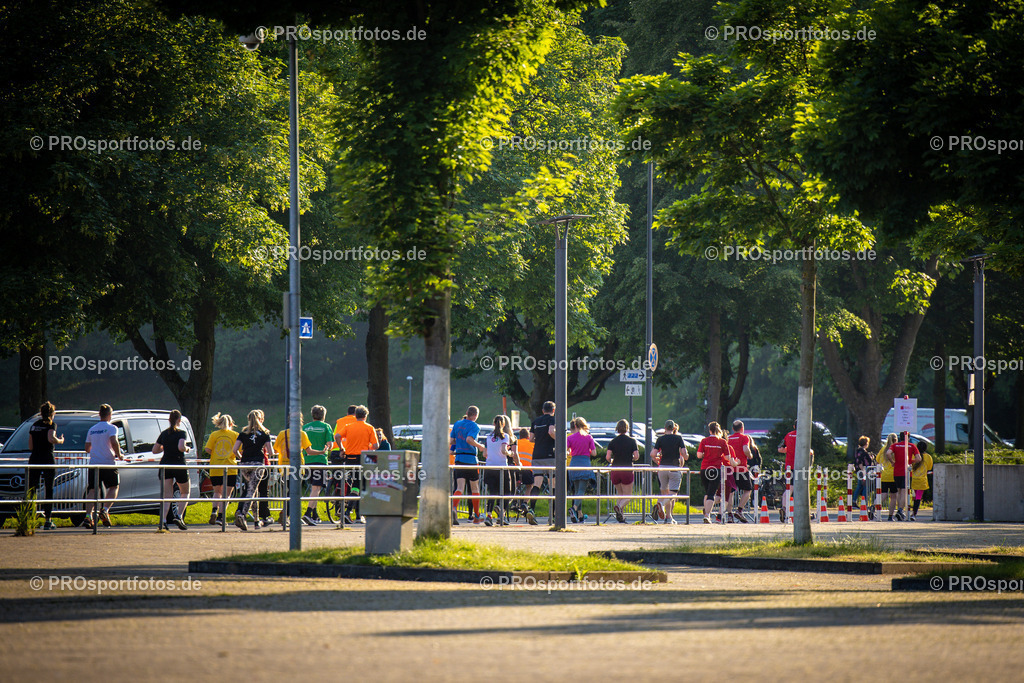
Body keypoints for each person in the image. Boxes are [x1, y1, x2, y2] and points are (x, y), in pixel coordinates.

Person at [232, 410, 274, 531]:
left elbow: (235, 450)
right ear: (260, 419)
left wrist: (241, 458)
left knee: (252, 490)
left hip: (245, 464)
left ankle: (256, 521)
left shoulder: (243, 433)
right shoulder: (265, 433)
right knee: (252, 489)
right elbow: (270, 452)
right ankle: (241, 513)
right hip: (258, 464)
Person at [336, 405, 378, 523]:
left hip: (350, 458)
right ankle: (348, 512)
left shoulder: (349, 426)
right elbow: (375, 446)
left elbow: (337, 436)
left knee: (358, 484)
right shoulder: (369, 428)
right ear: (365, 416)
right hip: (362, 458)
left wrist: (342, 448)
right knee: (358, 485)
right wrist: (369, 448)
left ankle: (359, 515)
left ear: (356, 415)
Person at [83, 404, 121, 529]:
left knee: (93, 490)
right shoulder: (112, 428)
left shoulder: (92, 429)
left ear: (99, 414)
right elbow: (114, 441)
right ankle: (105, 510)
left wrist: (97, 447)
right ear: (110, 415)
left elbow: (87, 448)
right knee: (114, 486)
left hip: (94, 463)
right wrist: (118, 454)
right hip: (108, 462)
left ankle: (88, 516)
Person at [28, 401, 64, 530]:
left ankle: (30, 516)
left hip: (34, 458)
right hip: (47, 458)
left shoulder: (34, 425)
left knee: (32, 488)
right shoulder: (51, 425)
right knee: (49, 488)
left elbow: (30, 446)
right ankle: (48, 519)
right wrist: (60, 440)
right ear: (52, 413)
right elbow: (51, 438)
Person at [152, 410, 190, 530]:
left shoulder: (164, 434)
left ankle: (163, 521)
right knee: (185, 492)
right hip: (178, 464)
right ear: (179, 420)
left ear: (169, 420)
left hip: (165, 464)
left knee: (167, 495)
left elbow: (155, 450)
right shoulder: (182, 433)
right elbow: (181, 447)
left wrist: (165, 447)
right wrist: (187, 449)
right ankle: (179, 516)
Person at [450, 405, 484, 524]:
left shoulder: (457, 424)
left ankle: (453, 508)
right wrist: (480, 446)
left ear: (466, 413)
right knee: (475, 488)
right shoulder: (474, 426)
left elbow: (451, 441)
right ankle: (476, 515)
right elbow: (469, 439)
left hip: (459, 458)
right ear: (476, 415)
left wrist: (459, 442)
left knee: (459, 487)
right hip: (471, 460)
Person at [276, 416, 313, 528]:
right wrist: (322, 451)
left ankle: (287, 515)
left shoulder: (282, 434)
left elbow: (276, 449)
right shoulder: (302, 434)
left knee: (290, 491)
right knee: (294, 492)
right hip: (297, 467)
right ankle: (286, 514)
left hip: (284, 466)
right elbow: (309, 451)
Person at [301, 405, 334, 525]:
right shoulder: (326, 427)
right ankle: (307, 513)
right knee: (316, 488)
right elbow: (330, 444)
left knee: (313, 487)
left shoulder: (305, 427)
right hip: (320, 460)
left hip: (307, 460)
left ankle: (314, 515)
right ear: (323, 415)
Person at [204, 413, 238, 525]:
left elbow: (208, 449)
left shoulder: (214, 434)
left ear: (219, 423)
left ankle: (214, 511)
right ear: (232, 424)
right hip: (230, 467)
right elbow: (238, 451)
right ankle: (221, 516)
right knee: (226, 494)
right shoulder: (235, 435)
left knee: (217, 491)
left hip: (215, 466)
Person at [526, 401, 556, 523]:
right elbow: (551, 432)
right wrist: (559, 440)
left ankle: (531, 509)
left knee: (537, 483)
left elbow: (531, 439)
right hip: (550, 454)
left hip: (537, 455)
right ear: (553, 410)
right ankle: (552, 515)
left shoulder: (535, 421)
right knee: (553, 484)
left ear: (543, 410)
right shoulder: (553, 419)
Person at [651, 420, 686, 525]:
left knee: (664, 493)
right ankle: (660, 505)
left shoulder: (660, 439)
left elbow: (653, 454)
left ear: (665, 428)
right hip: (674, 467)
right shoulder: (678, 438)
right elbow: (684, 454)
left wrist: (657, 460)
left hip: (662, 468)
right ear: (674, 428)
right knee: (673, 493)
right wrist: (686, 457)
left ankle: (668, 517)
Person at [605, 419, 639, 523]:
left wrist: (612, 460)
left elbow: (607, 457)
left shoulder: (613, 441)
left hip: (615, 469)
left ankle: (621, 517)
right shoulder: (632, 441)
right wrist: (631, 458)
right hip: (627, 469)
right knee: (627, 496)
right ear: (627, 428)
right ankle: (619, 508)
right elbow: (636, 456)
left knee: (620, 494)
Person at [482, 415, 514, 526]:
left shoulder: (488, 436)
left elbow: (484, 453)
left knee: (493, 492)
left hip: (490, 467)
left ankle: (489, 515)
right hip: (501, 467)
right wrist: (510, 453)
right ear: (503, 424)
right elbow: (503, 450)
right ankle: (502, 515)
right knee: (506, 492)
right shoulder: (505, 436)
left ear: (493, 424)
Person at [697, 422, 730, 524]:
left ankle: (707, 512)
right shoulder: (722, 442)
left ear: (709, 430)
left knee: (707, 492)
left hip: (704, 469)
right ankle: (707, 515)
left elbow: (699, 455)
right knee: (711, 493)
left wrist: (705, 453)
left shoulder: (704, 441)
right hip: (715, 469)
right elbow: (728, 458)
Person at [566, 417, 597, 524]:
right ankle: (574, 508)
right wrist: (586, 450)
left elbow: (566, 450)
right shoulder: (588, 437)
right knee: (581, 490)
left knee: (576, 490)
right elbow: (594, 453)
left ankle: (579, 515)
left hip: (573, 464)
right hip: (584, 463)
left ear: (575, 426)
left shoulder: (570, 438)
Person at [888, 431, 920, 521]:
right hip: (906, 472)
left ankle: (899, 510)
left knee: (898, 491)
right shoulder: (912, 446)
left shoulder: (895, 445)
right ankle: (900, 510)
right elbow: (919, 458)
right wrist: (910, 461)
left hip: (896, 471)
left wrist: (892, 461)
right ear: (908, 438)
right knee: (904, 492)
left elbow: (888, 453)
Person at [727, 420, 754, 522]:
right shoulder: (744, 437)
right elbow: (746, 449)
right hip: (742, 468)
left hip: (730, 469)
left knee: (730, 492)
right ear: (742, 428)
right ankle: (739, 510)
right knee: (748, 490)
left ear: (733, 429)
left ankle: (729, 515)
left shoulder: (728, 439)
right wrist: (750, 455)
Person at [850, 436, 875, 518]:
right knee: (865, 486)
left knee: (859, 486)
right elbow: (861, 463)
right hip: (864, 471)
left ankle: (854, 500)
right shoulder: (863, 452)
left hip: (859, 471)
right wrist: (865, 473)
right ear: (866, 443)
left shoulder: (857, 451)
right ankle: (864, 502)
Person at [777, 421, 797, 523]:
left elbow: (780, 448)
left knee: (789, 488)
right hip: (801, 465)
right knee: (802, 489)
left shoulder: (788, 435)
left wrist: (788, 450)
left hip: (789, 465)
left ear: (794, 426)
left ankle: (784, 508)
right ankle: (803, 512)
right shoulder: (804, 435)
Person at [514, 427, 535, 521]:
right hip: (527, 468)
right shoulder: (531, 444)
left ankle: (514, 500)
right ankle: (525, 503)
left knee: (515, 484)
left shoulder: (516, 443)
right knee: (529, 486)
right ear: (527, 436)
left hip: (516, 468)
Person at [910, 440, 934, 521]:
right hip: (922, 479)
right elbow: (929, 468)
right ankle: (914, 514)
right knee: (918, 497)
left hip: (913, 479)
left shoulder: (914, 456)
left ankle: (910, 511)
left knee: (913, 496)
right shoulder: (929, 457)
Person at [877, 433, 898, 519]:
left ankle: (873, 507)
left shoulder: (883, 449)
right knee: (893, 497)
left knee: (883, 494)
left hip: (884, 475)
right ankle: (890, 516)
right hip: (894, 475)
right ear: (895, 440)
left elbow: (877, 460)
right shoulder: (896, 449)